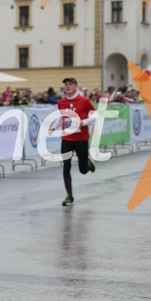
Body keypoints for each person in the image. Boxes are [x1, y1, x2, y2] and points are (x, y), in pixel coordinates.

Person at [53, 77, 96, 206]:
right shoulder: (61, 102)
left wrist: (84, 122)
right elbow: (61, 117)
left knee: (83, 170)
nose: (68, 86)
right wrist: (53, 127)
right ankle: (69, 196)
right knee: (66, 166)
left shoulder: (84, 101)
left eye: (70, 84)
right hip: (66, 139)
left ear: (76, 86)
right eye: (66, 84)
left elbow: (95, 115)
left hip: (81, 139)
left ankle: (87, 163)